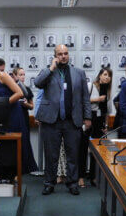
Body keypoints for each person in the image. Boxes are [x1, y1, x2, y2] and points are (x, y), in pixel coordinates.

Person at [34, 44, 91, 195]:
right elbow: (37, 83)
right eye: (60, 54)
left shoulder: (78, 73)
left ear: (69, 55)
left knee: (73, 154)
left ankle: (72, 183)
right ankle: (49, 183)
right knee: (51, 154)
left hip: (72, 120)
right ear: (55, 56)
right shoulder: (48, 71)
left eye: (65, 53)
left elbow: (85, 97)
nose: (63, 56)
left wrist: (87, 116)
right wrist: (51, 68)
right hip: (51, 120)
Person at [0, 59, 36, 179]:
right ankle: (6, 176)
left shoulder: (2, 76)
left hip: (12, 114)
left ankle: (15, 175)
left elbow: (20, 93)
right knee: (3, 148)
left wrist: (4, 104)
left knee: (13, 146)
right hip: (1, 116)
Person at [79, 68, 112, 184]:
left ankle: (93, 176)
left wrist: (106, 125)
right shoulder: (90, 86)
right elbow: (82, 100)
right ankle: (81, 177)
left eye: (109, 76)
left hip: (100, 121)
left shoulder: (107, 91)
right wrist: (97, 99)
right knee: (82, 149)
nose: (107, 77)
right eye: (105, 74)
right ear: (99, 76)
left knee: (96, 150)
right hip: (88, 118)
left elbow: (107, 111)